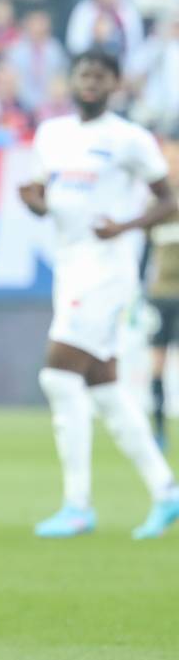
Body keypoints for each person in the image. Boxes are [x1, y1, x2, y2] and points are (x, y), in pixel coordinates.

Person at [18, 50, 179, 540]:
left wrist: (125, 227)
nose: (90, 83)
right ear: (72, 81)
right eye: (84, 75)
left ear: (115, 85)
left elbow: (170, 199)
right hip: (69, 264)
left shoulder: (129, 139)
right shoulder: (52, 134)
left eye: (100, 77)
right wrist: (35, 202)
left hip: (107, 269)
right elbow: (40, 190)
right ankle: (166, 491)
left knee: (57, 375)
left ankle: (77, 504)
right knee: (104, 388)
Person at [145, 141, 179, 448]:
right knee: (157, 363)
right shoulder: (155, 205)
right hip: (161, 295)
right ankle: (159, 430)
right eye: (168, 160)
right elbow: (144, 251)